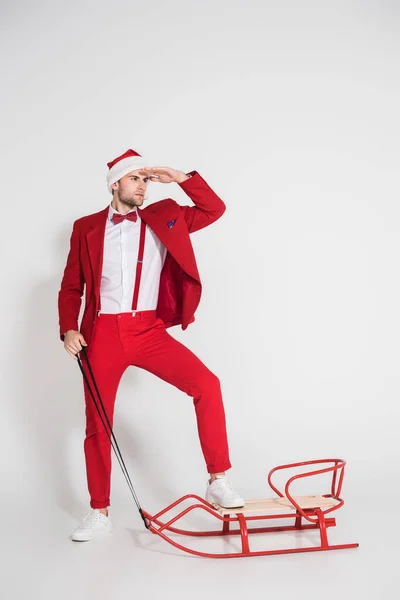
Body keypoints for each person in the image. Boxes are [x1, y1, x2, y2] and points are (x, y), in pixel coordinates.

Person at [58, 148, 244, 542]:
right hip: (102, 334)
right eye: (134, 179)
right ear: (115, 184)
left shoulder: (166, 216)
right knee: (98, 424)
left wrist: (179, 178)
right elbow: (72, 285)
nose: (142, 186)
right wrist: (68, 329)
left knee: (206, 385)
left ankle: (217, 480)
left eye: (145, 179)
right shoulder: (86, 227)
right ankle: (99, 511)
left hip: (149, 331)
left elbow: (214, 209)